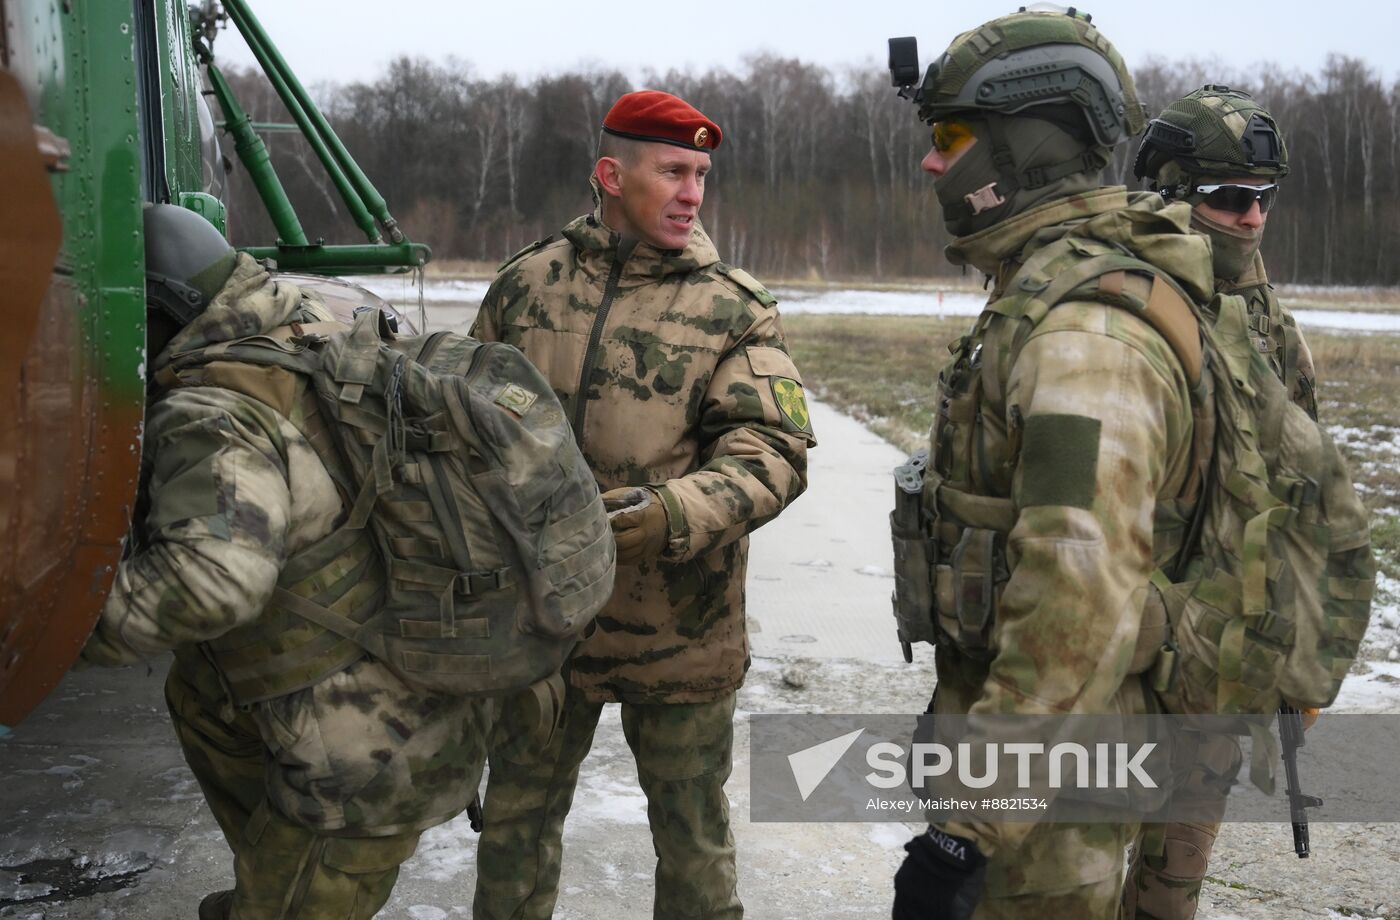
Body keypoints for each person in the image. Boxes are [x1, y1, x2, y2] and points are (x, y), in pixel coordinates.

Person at [885, 9, 1218, 919]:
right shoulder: (1045, 291)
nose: (931, 163)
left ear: (1025, 145)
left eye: (951, 137)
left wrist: (966, 834)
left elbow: (1078, 597)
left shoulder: (1086, 337)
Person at [80, 203, 497, 920]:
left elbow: (210, 585)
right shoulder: (316, 324)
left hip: (361, 764)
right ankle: (273, 880)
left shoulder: (216, 407)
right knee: (199, 694)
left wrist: (56, 634)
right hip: (415, 683)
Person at [469, 89, 815, 920]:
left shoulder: (733, 306)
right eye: (672, 171)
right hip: (544, 627)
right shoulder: (526, 287)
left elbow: (773, 451)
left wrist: (672, 513)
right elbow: (463, 428)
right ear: (610, 176)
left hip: (679, 628)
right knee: (515, 823)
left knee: (692, 836)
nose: (693, 191)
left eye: (701, 173)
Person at [1124, 85, 1316, 920]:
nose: (1250, 219)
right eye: (1228, 199)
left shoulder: (1270, 326)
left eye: (1263, 199)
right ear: (1171, 196)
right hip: (1111, 648)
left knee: (1174, 879)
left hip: (1215, 665)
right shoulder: (1112, 303)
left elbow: (1302, 485)